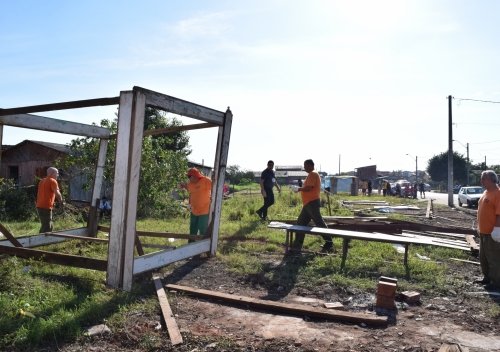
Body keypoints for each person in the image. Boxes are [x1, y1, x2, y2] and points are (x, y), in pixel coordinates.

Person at [291, 159, 333, 253]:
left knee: (319, 222)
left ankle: (329, 242)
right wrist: (300, 187)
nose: (304, 167)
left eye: (305, 166)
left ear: (310, 165)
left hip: (312, 203)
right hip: (308, 204)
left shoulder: (313, 174)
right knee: (300, 224)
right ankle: (297, 245)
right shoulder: (311, 175)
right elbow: (307, 186)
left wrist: (298, 189)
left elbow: (309, 188)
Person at [476, 170, 500, 288]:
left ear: (491, 179)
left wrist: (497, 230)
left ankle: (496, 282)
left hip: (492, 233)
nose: (481, 181)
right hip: (483, 232)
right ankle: (487, 277)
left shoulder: (498, 193)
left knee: (493, 258)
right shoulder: (486, 192)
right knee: (483, 257)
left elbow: (499, 214)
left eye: (483, 178)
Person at [180, 168, 212, 238]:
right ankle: (191, 244)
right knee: (192, 229)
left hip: (204, 211)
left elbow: (215, 188)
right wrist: (183, 186)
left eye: (189, 176)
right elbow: (190, 190)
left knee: (203, 230)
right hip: (194, 210)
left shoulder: (206, 180)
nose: (188, 178)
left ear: (195, 176)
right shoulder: (190, 184)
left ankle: (202, 246)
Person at [36, 167, 64, 233]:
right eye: (57, 173)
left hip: (39, 206)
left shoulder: (42, 181)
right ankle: (42, 240)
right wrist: (61, 202)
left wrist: (52, 202)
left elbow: (44, 194)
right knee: (47, 226)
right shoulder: (53, 181)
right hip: (45, 207)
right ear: (52, 173)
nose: (58, 175)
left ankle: (41, 239)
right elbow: (57, 193)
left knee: (46, 225)